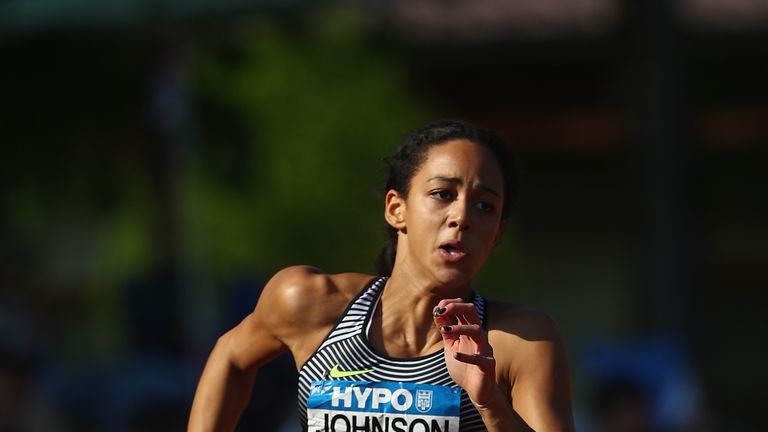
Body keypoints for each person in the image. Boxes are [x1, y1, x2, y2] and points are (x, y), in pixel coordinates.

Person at [188, 119, 575, 431]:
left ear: (497, 236)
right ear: (396, 208)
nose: (462, 217)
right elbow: (231, 357)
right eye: (443, 194)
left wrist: (488, 401)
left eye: (485, 207)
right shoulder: (312, 303)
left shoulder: (517, 341)